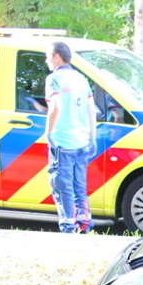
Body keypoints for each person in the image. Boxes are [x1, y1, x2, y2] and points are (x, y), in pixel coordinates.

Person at [44, 41, 97, 233]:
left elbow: (55, 107)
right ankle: (84, 223)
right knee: (79, 185)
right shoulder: (81, 78)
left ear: (57, 57)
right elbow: (91, 110)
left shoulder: (54, 79)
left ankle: (67, 224)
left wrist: (49, 132)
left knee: (62, 184)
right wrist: (92, 137)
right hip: (82, 140)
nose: (47, 61)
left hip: (62, 140)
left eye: (48, 56)